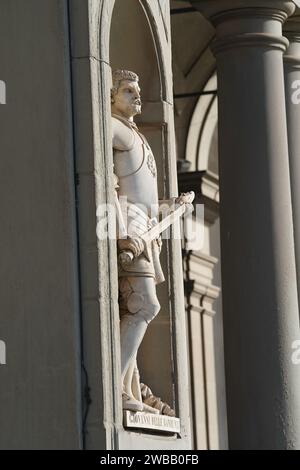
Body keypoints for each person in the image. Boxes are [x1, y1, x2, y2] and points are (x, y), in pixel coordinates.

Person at [111, 69, 193, 414]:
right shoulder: (114, 127)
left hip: (146, 226)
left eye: (138, 90)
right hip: (131, 227)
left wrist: (167, 207)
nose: (137, 96)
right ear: (111, 95)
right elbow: (106, 177)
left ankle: (130, 387)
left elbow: (143, 196)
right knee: (146, 306)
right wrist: (119, 228)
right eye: (128, 90)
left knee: (138, 308)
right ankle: (116, 384)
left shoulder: (135, 135)